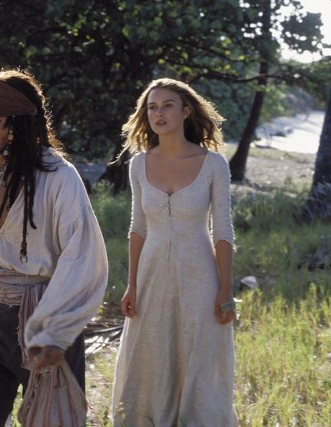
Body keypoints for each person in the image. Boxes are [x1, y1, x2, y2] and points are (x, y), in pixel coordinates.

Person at [0, 69, 108, 427]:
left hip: (45, 319)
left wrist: (55, 331)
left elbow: (83, 259)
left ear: (20, 123)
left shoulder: (58, 177)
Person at [111, 78, 238, 426]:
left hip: (200, 274)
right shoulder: (138, 164)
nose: (159, 113)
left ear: (185, 111)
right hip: (151, 272)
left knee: (198, 350)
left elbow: (223, 232)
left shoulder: (213, 164)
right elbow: (138, 228)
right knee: (152, 348)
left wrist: (226, 289)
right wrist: (132, 284)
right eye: (152, 107)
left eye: (168, 105)